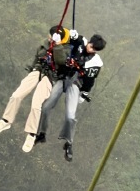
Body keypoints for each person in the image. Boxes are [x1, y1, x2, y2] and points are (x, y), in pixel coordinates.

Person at [0, 26, 78, 152]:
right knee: (16, 95)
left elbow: (61, 61)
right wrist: (33, 69)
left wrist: (57, 44)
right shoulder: (44, 45)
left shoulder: (65, 48)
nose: (49, 37)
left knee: (36, 104)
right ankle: (6, 120)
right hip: (37, 71)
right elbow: (37, 58)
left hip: (50, 77)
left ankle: (31, 134)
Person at [35, 33, 106, 162]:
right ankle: (42, 133)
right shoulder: (80, 42)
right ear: (89, 42)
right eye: (91, 46)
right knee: (45, 107)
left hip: (75, 84)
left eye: (94, 49)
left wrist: (84, 93)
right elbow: (71, 37)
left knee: (70, 116)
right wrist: (71, 34)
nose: (91, 49)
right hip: (63, 79)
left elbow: (90, 80)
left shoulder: (95, 62)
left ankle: (68, 143)